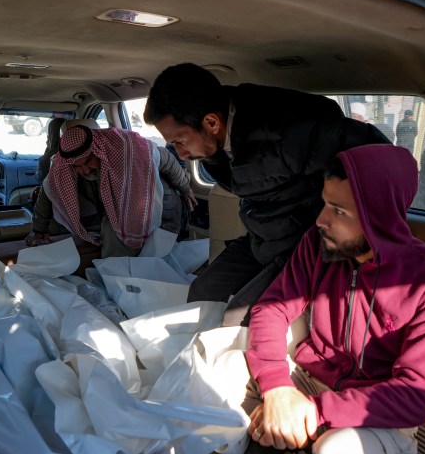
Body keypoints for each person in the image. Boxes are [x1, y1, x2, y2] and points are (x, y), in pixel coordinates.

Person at [242, 144, 425, 454]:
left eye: (339, 211)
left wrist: (314, 411)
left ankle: (321, 452)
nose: (320, 220)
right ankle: (305, 446)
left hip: (372, 411)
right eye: (325, 204)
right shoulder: (319, 246)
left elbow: (416, 395)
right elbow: (272, 308)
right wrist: (278, 387)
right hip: (310, 379)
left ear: (377, 218)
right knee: (217, 363)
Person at [143, 63, 391, 325]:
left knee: (237, 319)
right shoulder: (213, 145)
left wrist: (352, 238)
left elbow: (380, 158)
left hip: (303, 248)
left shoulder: (287, 129)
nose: (180, 154)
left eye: (180, 142)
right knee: (202, 294)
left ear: (211, 122)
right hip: (261, 240)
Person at [24, 125, 196, 257]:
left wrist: (185, 187)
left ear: (97, 150)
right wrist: (38, 230)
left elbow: (166, 159)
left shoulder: (128, 149)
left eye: (88, 161)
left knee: (115, 235)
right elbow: (48, 192)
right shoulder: (64, 166)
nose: (85, 170)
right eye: (78, 166)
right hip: (110, 209)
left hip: (155, 205)